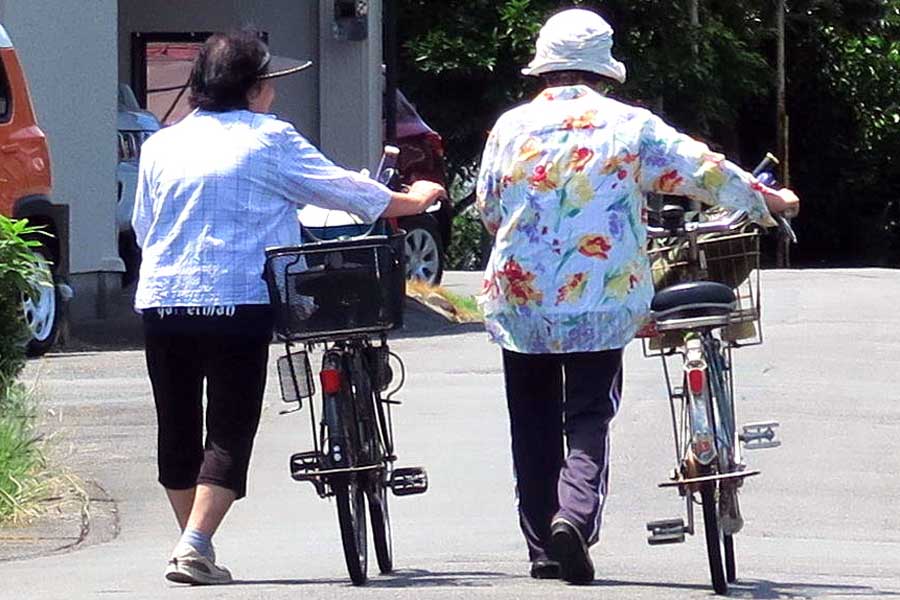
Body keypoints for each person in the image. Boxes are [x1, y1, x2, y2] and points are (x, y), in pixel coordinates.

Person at [475, 8, 799, 585]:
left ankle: (543, 550)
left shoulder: (509, 126)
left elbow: (490, 210)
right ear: (604, 69)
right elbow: (701, 169)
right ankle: (572, 517)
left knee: (531, 420)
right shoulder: (631, 125)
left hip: (520, 298)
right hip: (600, 298)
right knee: (591, 412)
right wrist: (766, 201)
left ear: (545, 67)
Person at [132, 30, 444, 586]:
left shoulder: (161, 143)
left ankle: (194, 545)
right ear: (254, 88)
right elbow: (343, 191)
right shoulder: (268, 139)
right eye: (270, 84)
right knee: (230, 424)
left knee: (176, 424)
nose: (273, 95)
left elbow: (143, 227)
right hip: (239, 299)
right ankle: (195, 544)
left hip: (164, 298)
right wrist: (415, 200)